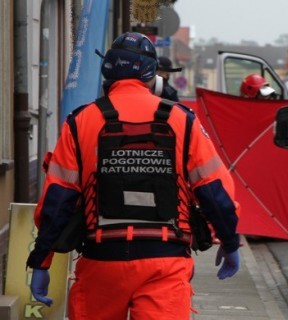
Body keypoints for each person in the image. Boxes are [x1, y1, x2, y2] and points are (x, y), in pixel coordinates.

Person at [26, 32, 241, 319]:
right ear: (153, 75)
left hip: (101, 261)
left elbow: (58, 200)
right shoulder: (182, 120)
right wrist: (228, 241)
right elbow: (215, 191)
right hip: (165, 262)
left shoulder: (80, 122)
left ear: (108, 73)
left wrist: (42, 260)